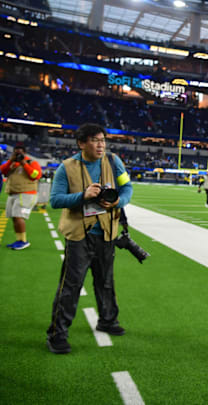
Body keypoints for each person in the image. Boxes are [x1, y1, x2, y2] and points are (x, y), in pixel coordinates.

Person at [46, 123, 133, 354]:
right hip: (78, 235)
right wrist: (82, 196)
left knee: (106, 281)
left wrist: (117, 202)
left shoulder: (114, 162)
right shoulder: (66, 167)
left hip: (106, 232)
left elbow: (128, 189)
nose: (101, 144)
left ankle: (107, 320)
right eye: (95, 140)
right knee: (71, 285)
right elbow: (55, 200)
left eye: (103, 140)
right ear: (81, 143)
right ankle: (57, 334)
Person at [0, 143, 43, 250]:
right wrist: (11, 160)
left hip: (26, 193)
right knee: (14, 217)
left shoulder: (32, 162)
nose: (18, 154)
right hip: (13, 193)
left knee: (18, 216)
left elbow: (36, 176)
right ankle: (19, 240)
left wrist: (24, 164)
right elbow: (2, 170)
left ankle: (23, 241)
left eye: (20, 152)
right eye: (16, 152)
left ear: (24, 153)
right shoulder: (12, 163)